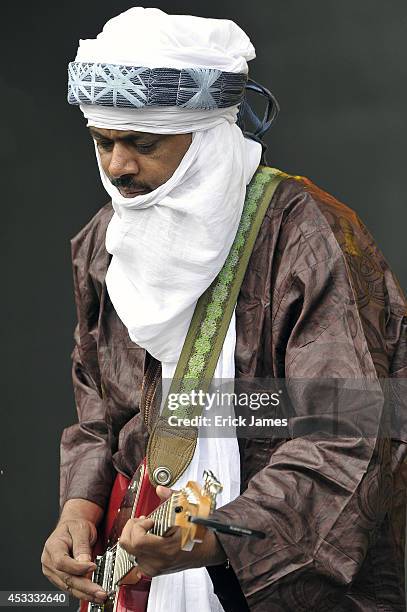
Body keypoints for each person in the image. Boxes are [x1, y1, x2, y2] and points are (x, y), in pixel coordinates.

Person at [41, 7, 407, 612]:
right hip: (138, 560)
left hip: (282, 576)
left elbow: (352, 431)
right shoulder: (104, 241)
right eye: (102, 142)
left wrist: (216, 537)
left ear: (205, 132)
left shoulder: (309, 237)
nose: (118, 168)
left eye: (142, 142)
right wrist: (77, 510)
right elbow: (100, 414)